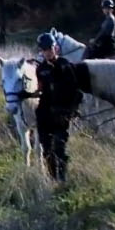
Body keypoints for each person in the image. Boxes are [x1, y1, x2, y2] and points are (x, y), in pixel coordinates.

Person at [33, 31, 85, 181]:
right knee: (47, 150)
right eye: (44, 50)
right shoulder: (40, 69)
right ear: (41, 51)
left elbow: (77, 92)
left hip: (61, 114)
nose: (47, 52)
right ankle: (52, 178)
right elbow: (42, 90)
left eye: (50, 48)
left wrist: (71, 110)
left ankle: (62, 179)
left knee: (59, 148)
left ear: (56, 48)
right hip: (44, 114)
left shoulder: (66, 65)